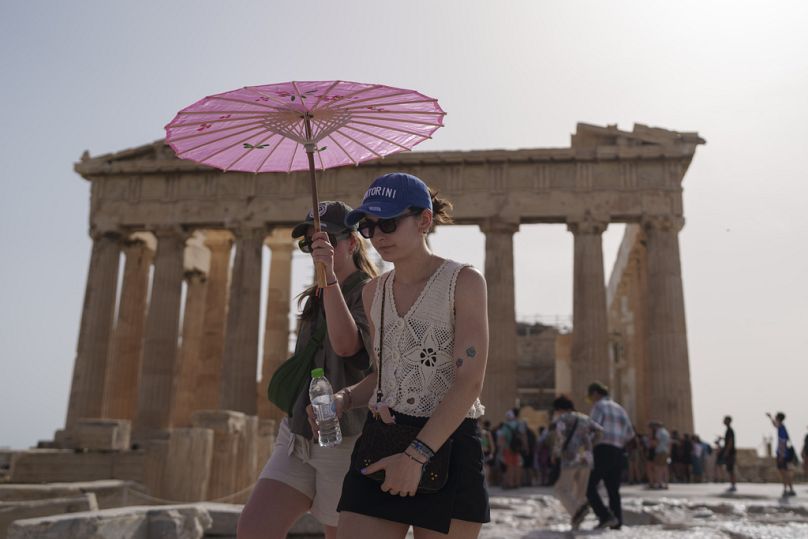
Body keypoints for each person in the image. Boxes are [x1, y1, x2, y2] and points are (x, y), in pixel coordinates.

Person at [335, 172, 490, 538]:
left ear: (424, 220)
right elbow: (384, 374)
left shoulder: (464, 282)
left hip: (448, 442)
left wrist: (416, 455)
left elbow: (469, 381)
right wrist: (345, 399)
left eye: (388, 222)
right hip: (383, 439)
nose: (378, 235)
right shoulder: (373, 293)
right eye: (369, 227)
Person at [238, 201, 378, 539]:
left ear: (351, 242)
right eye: (310, 242)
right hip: (297, 433)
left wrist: (329, 277)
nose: (317, 248)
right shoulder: (313, 295)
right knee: (254, 530)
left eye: (326, 240)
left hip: (345, 438)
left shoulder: (370, 291)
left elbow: (346, 347)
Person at [586, 382, 635, 530]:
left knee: (588, 485)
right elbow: (630, 434)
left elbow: (592, 427)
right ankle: (617, 521)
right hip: (618, 451)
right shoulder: (620, 409)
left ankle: (605, 516)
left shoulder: (599, 406)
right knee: (613, 489)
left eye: (590, 396)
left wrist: (587, 445)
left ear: (595, 393)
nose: (590, 400)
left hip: (602, 449)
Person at [551, 396, 604, 530]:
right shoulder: (585, 418)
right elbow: (600, 431)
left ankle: (577, 511)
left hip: (570, 457)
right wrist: (590, 445)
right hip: (586, 457)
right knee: (580, 491)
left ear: (560, 409)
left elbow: (560, 437)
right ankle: (576, 521)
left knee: (561, 488)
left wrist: (556, 453)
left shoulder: (563, 419)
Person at [767, 412, 796, 497]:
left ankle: (786, 489)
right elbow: (775, 424)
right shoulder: (781, 427)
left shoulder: (782, 429)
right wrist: (770, 417)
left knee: (784, 473)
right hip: (783, 453)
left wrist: (781, 455)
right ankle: (790, 489)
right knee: (785, 472)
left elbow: (782, 442)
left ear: (778, 418)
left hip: (782, 454)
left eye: (776, 417)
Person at [499, 409, 526, 489]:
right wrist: (525, 446)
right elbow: (523, 436)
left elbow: (502, 439)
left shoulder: (505, 426)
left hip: (508, 448)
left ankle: (510, 483)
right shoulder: (519, 424)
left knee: (510, 466)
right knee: (518, 465)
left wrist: (501, 450)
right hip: (518, 448)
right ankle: (517, 483)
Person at [648, 421, 670, 489]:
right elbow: (669, 443)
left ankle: (659, 483)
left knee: (657, 468)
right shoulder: (666, 432)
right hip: (666, 451)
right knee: (664, 468)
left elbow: (657, 442)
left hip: (659, 451)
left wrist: (650, 443)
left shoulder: (659, 432)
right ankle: (666, 484)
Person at [720, 416, 737, 492]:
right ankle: (732, 485)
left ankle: (733, 485)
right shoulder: (728, 430)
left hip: (730, 453)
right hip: (730, 452)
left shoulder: (730, 430)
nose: (723, 421)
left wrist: (726, 452)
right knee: (730, 469)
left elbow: (730, 442)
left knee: (731, 469)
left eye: (725, 420)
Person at [479, 419, 496, 486]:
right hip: (481, 452)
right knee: (484, 467)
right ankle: (484, 482)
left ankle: (486, 481)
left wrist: (492, 453)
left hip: (485, 452)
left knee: (486, 467)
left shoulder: (486, 433)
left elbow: (492, 444)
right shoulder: (478, 433)